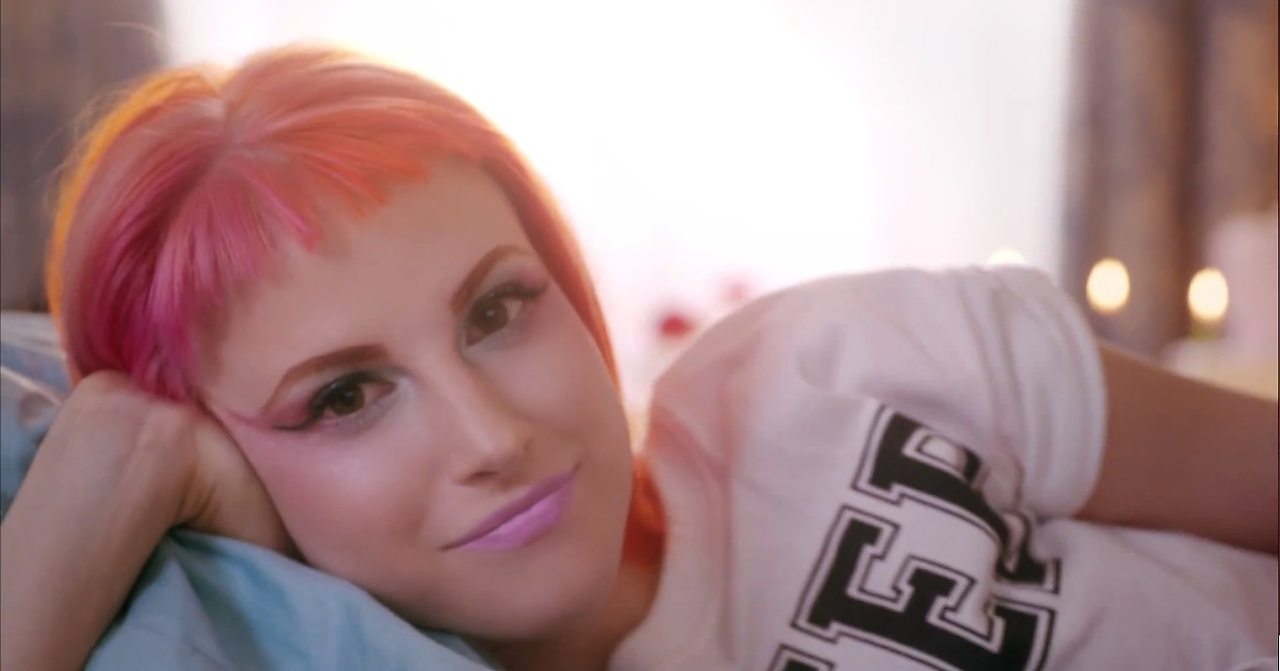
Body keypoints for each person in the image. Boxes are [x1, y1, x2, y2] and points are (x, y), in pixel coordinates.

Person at [0, 45, 1275, 671]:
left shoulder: (834, 368)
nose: (492, 435)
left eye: (498, 309)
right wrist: (112, 461)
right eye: (345, 396)